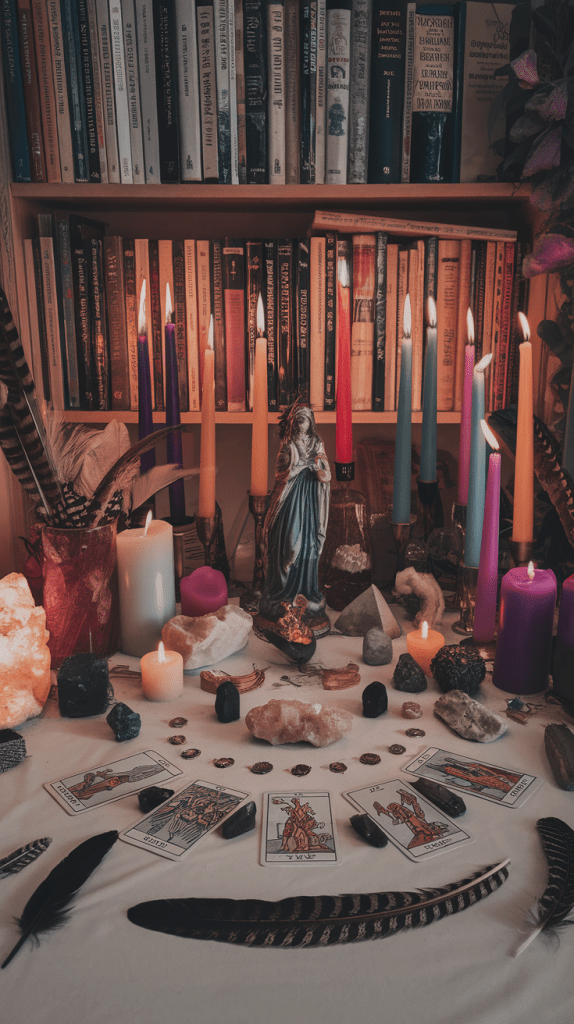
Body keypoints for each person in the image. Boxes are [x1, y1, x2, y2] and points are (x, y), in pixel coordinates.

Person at [258, 399, 331, 635]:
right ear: (292, 423)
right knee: (290, 546)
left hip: (309, 502)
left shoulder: (317, 442)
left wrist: (318, 470)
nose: (302, 423)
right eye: (298, 419)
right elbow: (281, 472)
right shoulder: (288, 444)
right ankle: (282, 593)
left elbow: (326, 472)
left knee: (308, 546)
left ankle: (305, 594)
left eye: (305, 419)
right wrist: (301, 467)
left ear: (311, 422)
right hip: (290, 501)